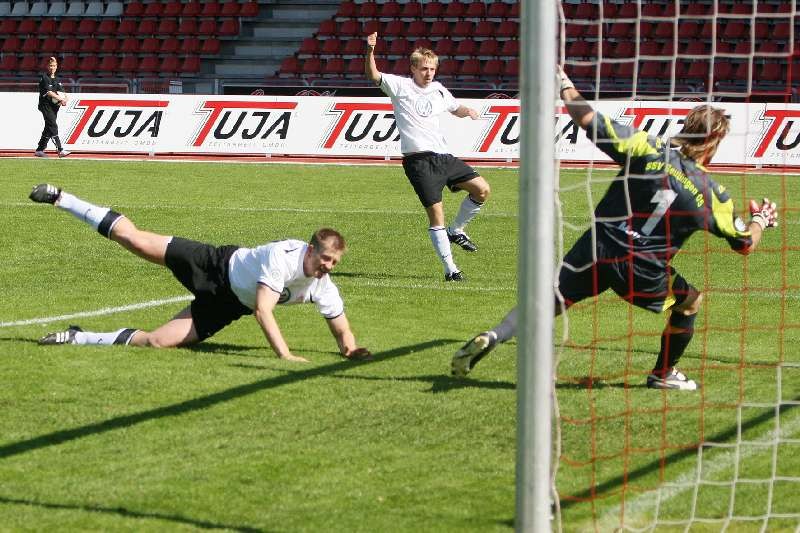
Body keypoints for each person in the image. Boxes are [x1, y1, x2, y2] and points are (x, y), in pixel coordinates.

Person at [451, 66, 779, 390]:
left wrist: (564, 84)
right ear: (715, 140)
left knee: (551, 300)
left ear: (686, 127)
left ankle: (495, 334)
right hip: (642, 267)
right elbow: (746, 244)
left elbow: (587, 119)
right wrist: (761, 219)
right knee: (691, 301)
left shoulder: (647, 146)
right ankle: (663, 373)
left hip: (598, 245)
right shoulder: (711, 193)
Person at [29, 183, 371, 362]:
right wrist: (286, 355)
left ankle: (78, 337)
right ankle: (63, 199)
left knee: (157, 342)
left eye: (334, 263)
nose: (328, 267)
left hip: (227, 306)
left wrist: (351, 350)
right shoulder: (283, 257)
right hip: (215, 264)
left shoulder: (323, 285)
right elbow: (263, 310)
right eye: (325, 259)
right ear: (311, 250)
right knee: (134, 240)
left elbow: (342, 330)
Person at [365, 32, 491, 282]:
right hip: (419, 162)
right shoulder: (400, 86)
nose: (429, 73)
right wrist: (370, 51)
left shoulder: (438, 90)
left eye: (432, 69)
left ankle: (457, 230)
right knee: (436, 216)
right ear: (413, 68)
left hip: (444, 157)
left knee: (482, 190)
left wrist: (469, 111)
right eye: (424, 69)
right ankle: (451, 270)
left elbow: (455, 108)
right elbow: (373, 75)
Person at [35, 57, 70, 158]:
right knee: (53, 125)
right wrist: (60, 99)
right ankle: (60, 149)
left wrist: (65, 99)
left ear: (56, 67)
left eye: (54, 65)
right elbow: (49, 92)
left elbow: (62, 92)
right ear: (47, 66)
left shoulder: (57, 79)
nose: (52, 67)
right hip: (45, 106)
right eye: (50, 65)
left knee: (48, 127)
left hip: (54, 106)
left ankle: (39, 150)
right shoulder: (44, 78)